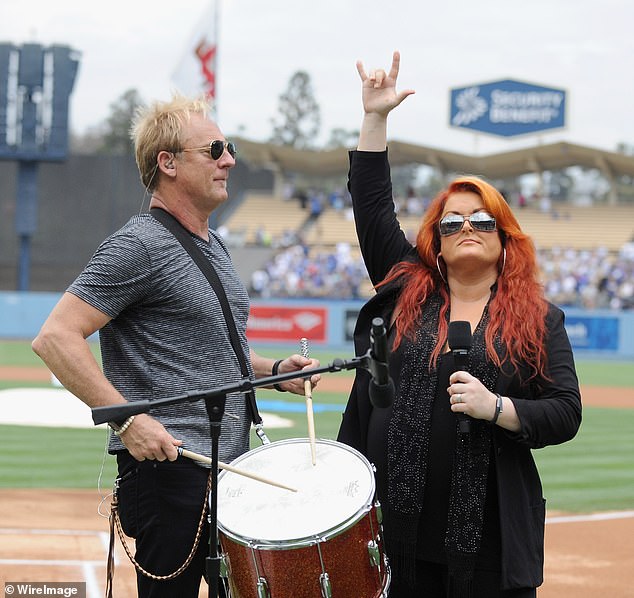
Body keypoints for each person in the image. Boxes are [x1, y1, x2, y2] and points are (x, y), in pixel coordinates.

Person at [32, 94, 319, 598]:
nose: (229, 159)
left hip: (227, 468)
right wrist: (126, 418)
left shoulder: (214, 243)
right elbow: (55, 337)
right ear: (168, 163)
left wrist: (275, 370)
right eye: (214, 149)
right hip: (168, 473)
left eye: (227, 147)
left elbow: (215, 352)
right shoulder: (138, 244)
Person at [337, 52, 582, 598]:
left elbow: (566, 411)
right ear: (437, 244)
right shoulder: (407, 291)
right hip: (396, 540)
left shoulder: (539, 318)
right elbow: (373, 207)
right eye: (452, 222)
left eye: (481, 220)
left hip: (492, 544)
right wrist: (375, 119)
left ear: (504, 238)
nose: (466, 226)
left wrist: (497, 408)